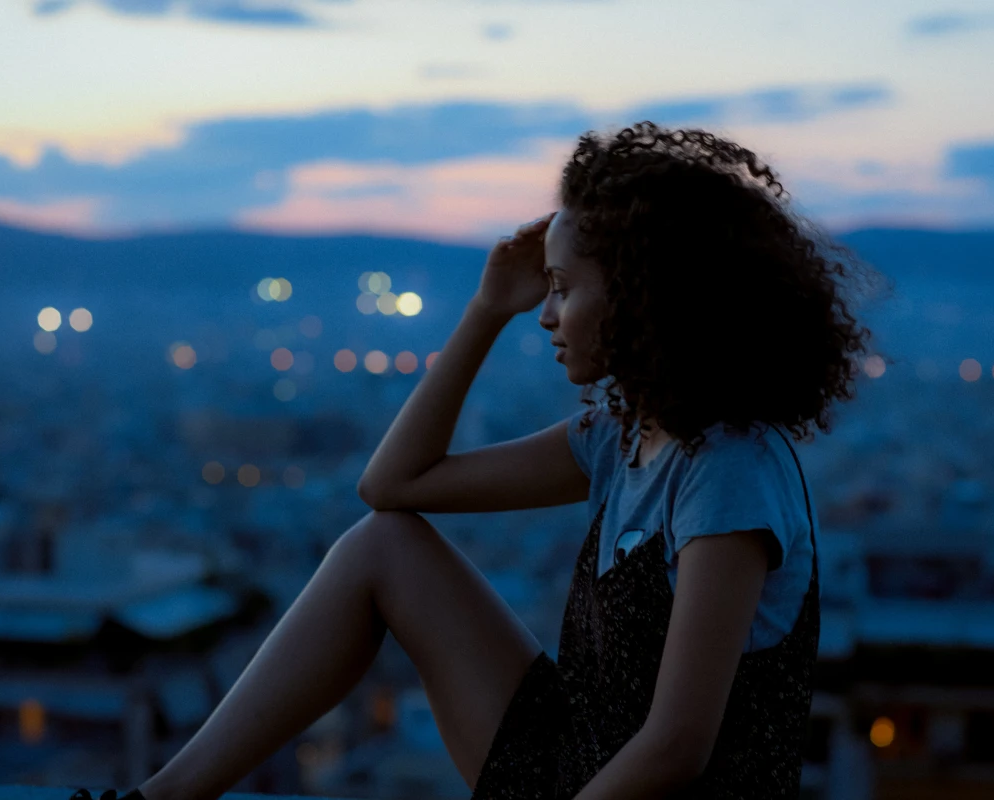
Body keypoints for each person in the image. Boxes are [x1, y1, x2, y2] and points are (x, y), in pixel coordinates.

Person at [71, 120, 874, 800]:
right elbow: (393, 488)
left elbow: (678, 747)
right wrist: (487, 309)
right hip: (573, 763)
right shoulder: (622, 435)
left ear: (640, 295)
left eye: (562, 289)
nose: (548, 315)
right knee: (382, 546)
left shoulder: (729, 467)